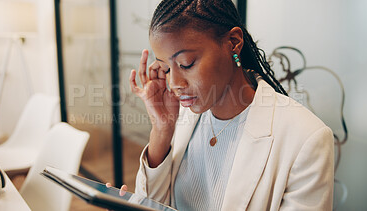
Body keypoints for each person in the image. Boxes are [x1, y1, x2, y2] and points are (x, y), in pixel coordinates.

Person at [125, 0, 334, 210]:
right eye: (166, 69)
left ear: (233, 42)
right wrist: (162, 129)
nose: (175, 84)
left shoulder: (306, 139)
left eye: (186, 64)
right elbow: (152, 205)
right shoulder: (183, 119)